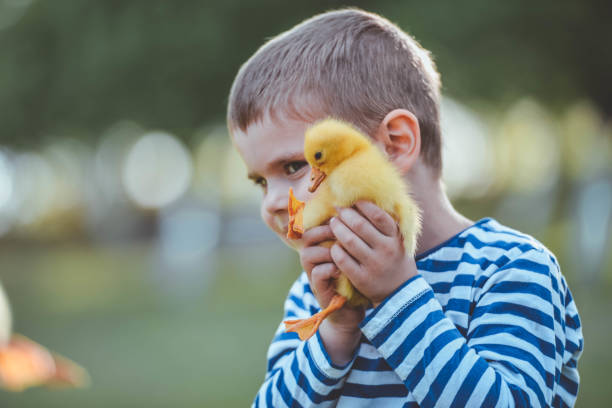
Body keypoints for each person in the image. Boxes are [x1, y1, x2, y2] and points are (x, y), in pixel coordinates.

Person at [227, 8, 583, 407]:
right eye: (260, 182)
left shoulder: (510, 268)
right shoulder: (313, 298)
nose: (273, 202)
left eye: (294, 167)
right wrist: (334, 333)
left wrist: (397, 296)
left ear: (394, 144)